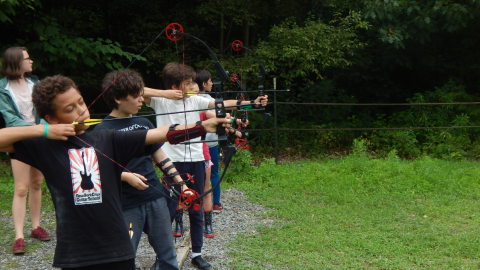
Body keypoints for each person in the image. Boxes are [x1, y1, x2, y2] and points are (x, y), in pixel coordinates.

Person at [0, 75, 230, 269]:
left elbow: (158, 135)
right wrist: (43, 129)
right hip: (75, 253)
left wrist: (201, 128)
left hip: (117, 248)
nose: (81, 110)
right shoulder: (43, 147)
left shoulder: (105, 137)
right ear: (51, 118)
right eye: (70, 109)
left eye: (81, 102)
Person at [143, 63, 268, 270]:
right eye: (188, 83)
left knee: (196, 207)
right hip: (171, 163)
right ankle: (163, 256)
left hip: (196, 161)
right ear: (175, 86)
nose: (194, 85)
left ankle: (197, 254)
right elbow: (135, 90)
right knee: (168, 210)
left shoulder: (196, 99)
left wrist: (252, 103)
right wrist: (167, 93)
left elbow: (222, 104)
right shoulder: (159, 100)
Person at [93, 70, 182, 270]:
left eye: (141, 94)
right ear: (117, 98)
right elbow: (98, 168)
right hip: (126, 207)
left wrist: (180, 183)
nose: (142, 99)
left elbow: (159, 156)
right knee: (126, 254)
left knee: (167, 252)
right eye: (136, 96)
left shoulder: (143, 123)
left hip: (155, 199)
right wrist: (126, 176)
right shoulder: (101, 130)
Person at [0, 47, 50, 254]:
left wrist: (44, 127)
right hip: (20, 140)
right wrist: (37, 130)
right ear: (15, 62)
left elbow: (46, 109)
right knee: (21, 188)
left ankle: (35, 226)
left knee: (37, 183)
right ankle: (19, 236)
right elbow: (10, 118)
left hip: (40, 138)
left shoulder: (35, 84)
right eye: (27, 59)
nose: (31, 62)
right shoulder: (2, 88)